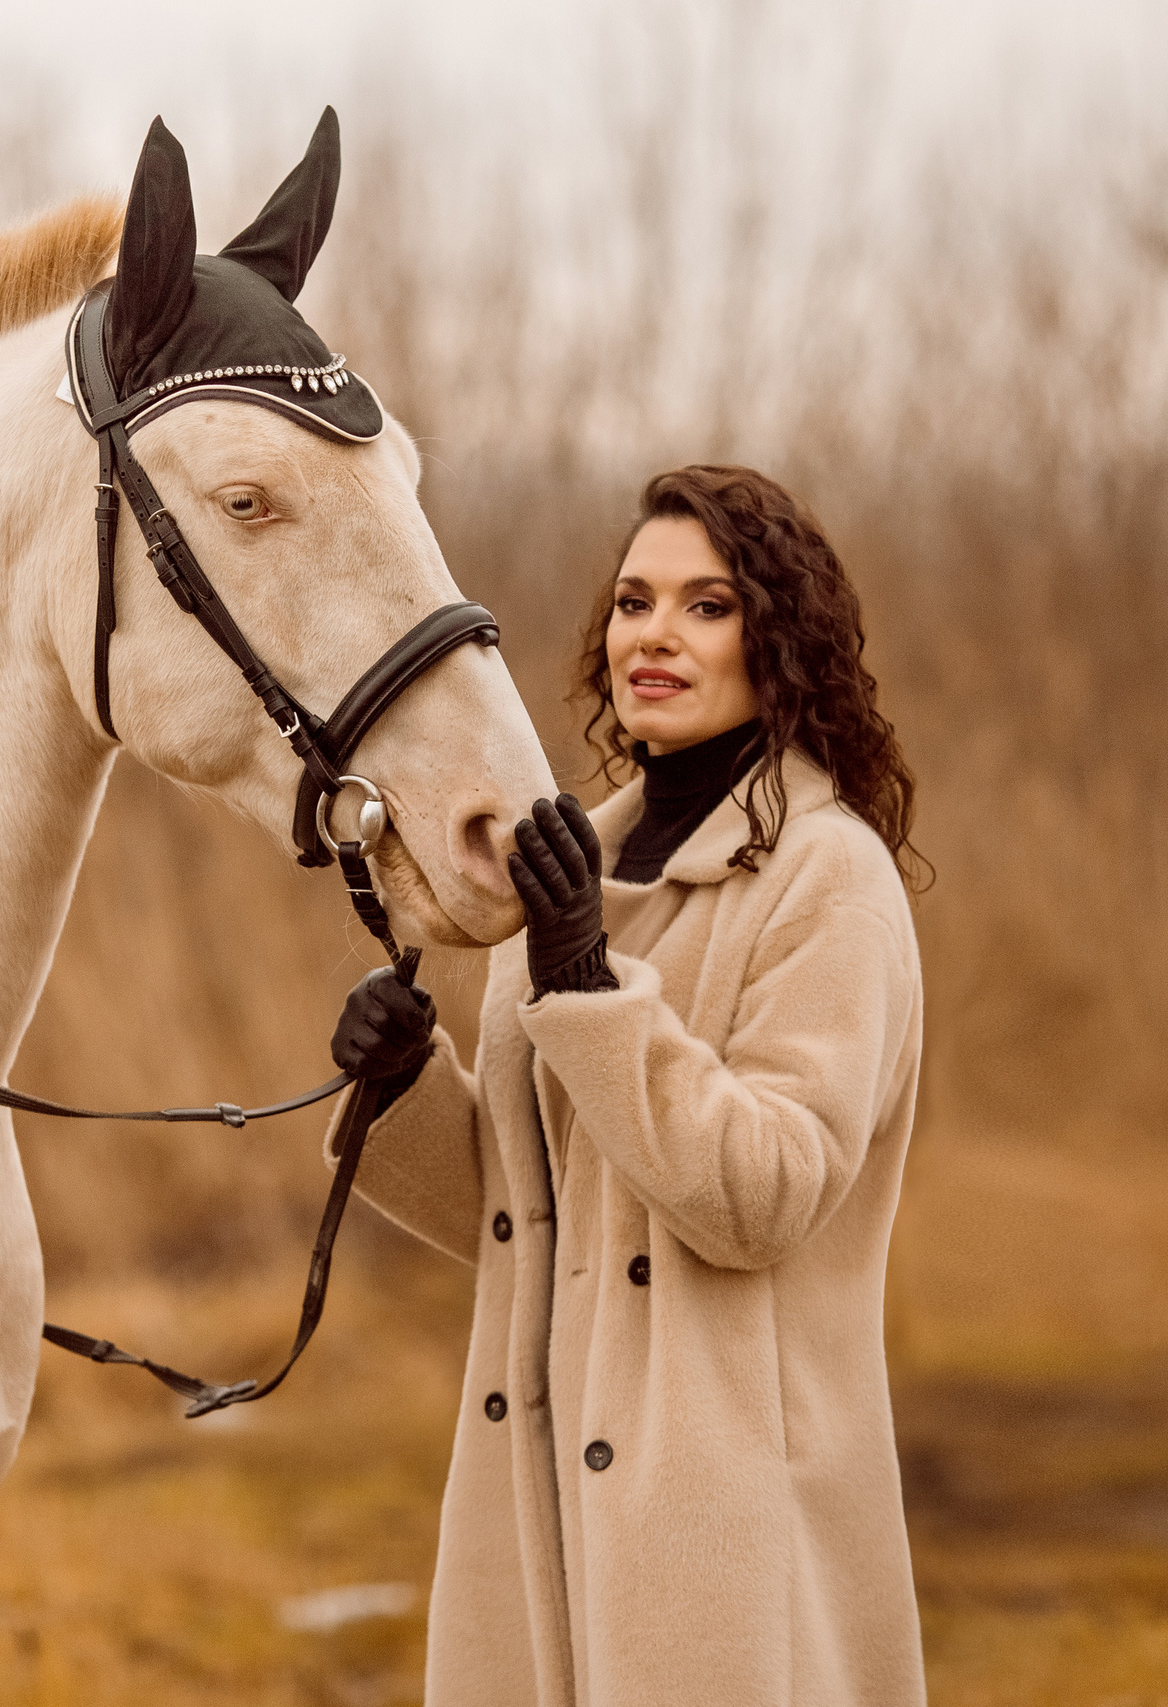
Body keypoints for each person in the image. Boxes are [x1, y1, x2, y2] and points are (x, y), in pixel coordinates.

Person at [329, 464, 928, 1706]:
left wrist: (582, 984)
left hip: (721, 1520)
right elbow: (528, 1223)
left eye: (707, 607)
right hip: (531, 1486)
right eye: (634, 601)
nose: (654, 634)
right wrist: (398, 1088)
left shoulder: (829, 882)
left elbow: (758, 1198)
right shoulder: (571, 863)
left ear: (782, 643)